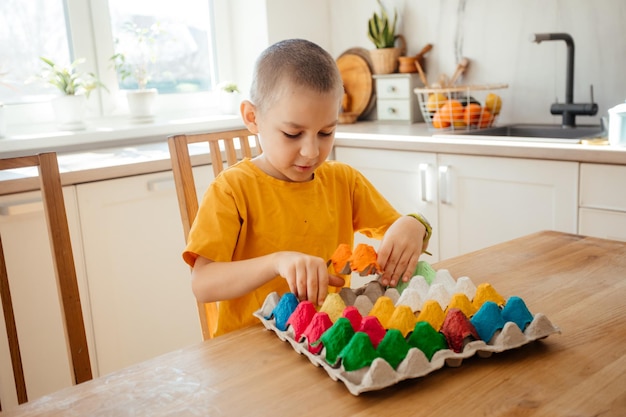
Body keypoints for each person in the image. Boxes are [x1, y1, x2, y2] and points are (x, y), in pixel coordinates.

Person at [183, 39, 431, 337]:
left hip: (327, 343)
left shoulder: (344, 182)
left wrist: (415, 224)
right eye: (292, 133)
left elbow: (397, 231)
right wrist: (277, 262)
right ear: (252, 117)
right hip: (252, 351)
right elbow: (203, 285)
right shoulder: (232, 190)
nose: (312, 152)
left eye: (326, 132)